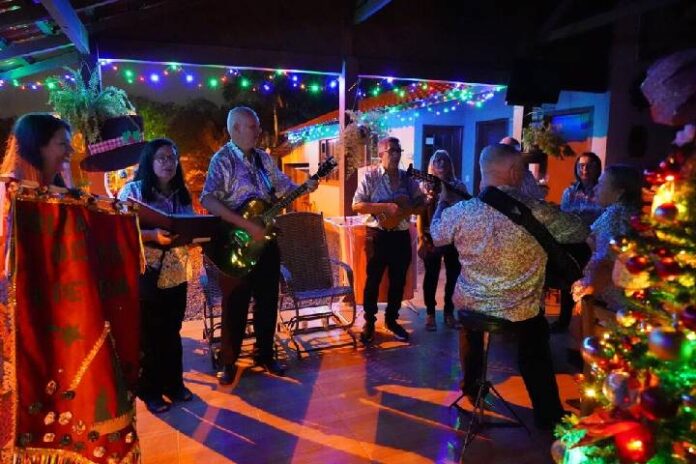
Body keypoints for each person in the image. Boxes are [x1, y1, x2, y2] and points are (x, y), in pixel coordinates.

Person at [430, 143, 588, 429]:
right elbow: (578, 229)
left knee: (470, 326)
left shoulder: (462, 211)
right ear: (514, 171)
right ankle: (548, 416)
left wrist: (442, 201)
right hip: (521, 310)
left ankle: (472, 388)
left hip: (472, 305)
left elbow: (437, 234)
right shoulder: (536, 210)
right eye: (523, 169)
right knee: (535, 342)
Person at [201, 106, 317, 384]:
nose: (259, 131)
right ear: (236, 129)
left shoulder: (264, 159)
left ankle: (264, 354)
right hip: (235, 243)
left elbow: (285, 188)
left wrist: (306, 187)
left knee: (268, 300)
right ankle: (228, 361)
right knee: (235, 304)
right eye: (253, 126)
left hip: (265, 241)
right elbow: (208, 199)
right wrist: (245, 225)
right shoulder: (222, 160)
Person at [118, 138, 194, 413]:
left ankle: (174, 385)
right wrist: (151, 235)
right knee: (148, 334)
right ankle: (150, 391)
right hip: (145, 271)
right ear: (149, 161)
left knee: (172, 331)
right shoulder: (133, 191)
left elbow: (189, 224)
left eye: (172, 158)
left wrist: (193, 235)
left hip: (177, 270)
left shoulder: (181, 193)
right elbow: (118, 229)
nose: (168, 163)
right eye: (161, 158)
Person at [353, 136, 425, 343]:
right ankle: (369, 322)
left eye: (398, 151)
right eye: (391, 151)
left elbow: (420, 205)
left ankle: (391, 320)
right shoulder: (370, 177)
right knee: (373, 280)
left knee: (398, 281)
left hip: (401, 236)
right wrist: (385, 207)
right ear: (381, 154)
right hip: (377, 235)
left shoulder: (408, 179)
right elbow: (356, 205)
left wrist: (421, 203)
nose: (395, 155)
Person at [572, 165, 643, 312]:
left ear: (619, 193)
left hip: (613, 301)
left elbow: (607, 263)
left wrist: (586, 295)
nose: (595, 188)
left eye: (601, 184)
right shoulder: (631, 213)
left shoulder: (616, 215)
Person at [552, 152, 604, 332]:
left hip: (595, 242)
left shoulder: (603, 191)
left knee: (591, 282)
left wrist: (581, 215)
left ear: (597, 168)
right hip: (573, 241)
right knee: (568, 278)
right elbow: (565, 217)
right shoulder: (570, 192)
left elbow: (601, 215)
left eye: (589, 165)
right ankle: (564, 320)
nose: (585, 169)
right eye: (581, 165)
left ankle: (589, 321)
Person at [417, 150, 466, 331]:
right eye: (437, 160)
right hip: (431, 236)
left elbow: (465, 211)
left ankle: (448, 313)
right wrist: (421, 237)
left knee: (453, 276)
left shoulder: (458, 186)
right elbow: (420, 213)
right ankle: (430, 314)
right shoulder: (425, 185)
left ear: (450, 164)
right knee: (431, 276)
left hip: (453, 237)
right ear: (432, 164)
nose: (441, 164)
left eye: (445, 160)